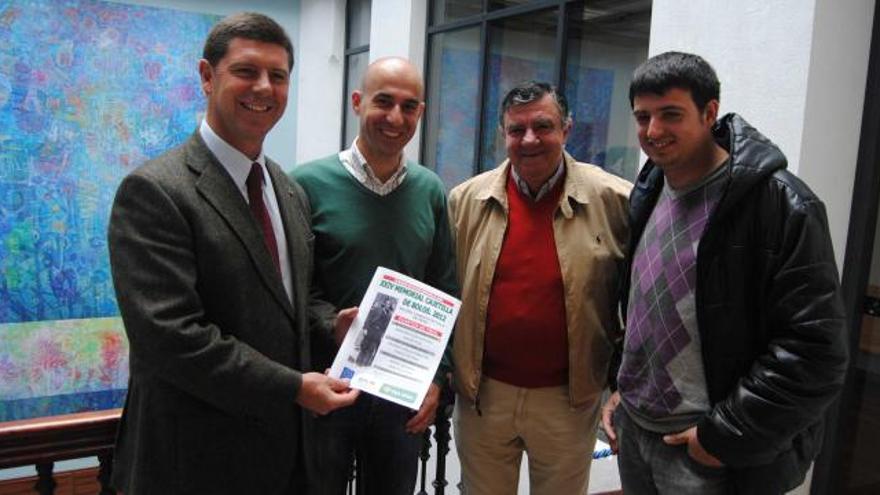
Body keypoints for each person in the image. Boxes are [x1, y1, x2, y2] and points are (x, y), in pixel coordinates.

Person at [107, 12, 359, 495]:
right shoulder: (155, 191)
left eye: (278, 76)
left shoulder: (287, 189)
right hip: (196, 464)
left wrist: (333, 327)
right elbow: (172, 338)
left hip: (291, 462)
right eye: (246, 71)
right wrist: (293, 388)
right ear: (207, 76)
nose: (264, 87)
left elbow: (294, 301)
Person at [600, 51, 849, 495]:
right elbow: (644, 305)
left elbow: (816, 352)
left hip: (706, 449)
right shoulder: (651, 188)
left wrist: (722, 436)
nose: (653, 132)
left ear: (709, 112)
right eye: (643, 117)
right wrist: (623, 386)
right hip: (636, 429)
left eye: (670, 114)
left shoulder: (781, 205)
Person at [448, 81, 631, 495]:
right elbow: (445, 293)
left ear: (566, 130)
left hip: (568, 401)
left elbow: (638, 302)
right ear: (503, 135)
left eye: (543, 126)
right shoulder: (464, 201)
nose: (529, 139)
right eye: (517, 130)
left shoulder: (615, 201)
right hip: (484, 399)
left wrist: (622, 384)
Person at [290, 57, 457, 495]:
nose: (396, 117)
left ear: (420, 112)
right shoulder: (305, 184)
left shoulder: (430, 190)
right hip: (327, 386)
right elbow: (290, 286)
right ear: (357, 102)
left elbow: (445, 290)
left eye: (409, 106)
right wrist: (331, 322)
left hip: (401, 395)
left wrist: (437, 379)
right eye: (383, 102)